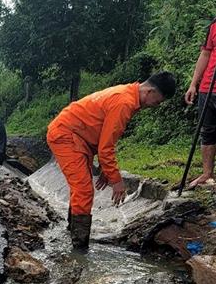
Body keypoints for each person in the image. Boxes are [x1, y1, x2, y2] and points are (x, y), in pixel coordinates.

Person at [47, 72, 176, 250]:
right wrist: (117, 181)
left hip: (79, 136)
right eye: (158, 101)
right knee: (83, 189)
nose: (156, 106)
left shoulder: (127, 94)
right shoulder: (124, 102)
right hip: (66, 135)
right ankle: (79, 248)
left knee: (81, 189)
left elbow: (103, 139)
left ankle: (73, 233)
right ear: (150, 91)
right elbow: (105, 148)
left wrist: (105, 171)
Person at [184, 17, 216, 189]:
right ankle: (207, 173)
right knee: (207, 131)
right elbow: (205, 54)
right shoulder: (213, 26)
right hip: (208, 88)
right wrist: (193, 84)